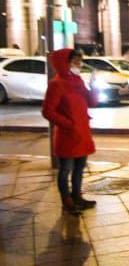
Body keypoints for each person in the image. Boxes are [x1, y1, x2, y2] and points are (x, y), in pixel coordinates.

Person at [41, 49, 99, 215]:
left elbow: (92, 102)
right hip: (67, 135)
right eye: (75, 62)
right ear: (64, 64)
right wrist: (68, 124)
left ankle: (77, 196)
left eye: (79, 62)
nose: (78, 66)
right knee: (65, 169)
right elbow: (48, 111)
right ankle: (67, 201)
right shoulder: (56, 84)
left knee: (80, 167)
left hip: (82, 133)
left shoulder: (78, 81)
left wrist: (93, 86)